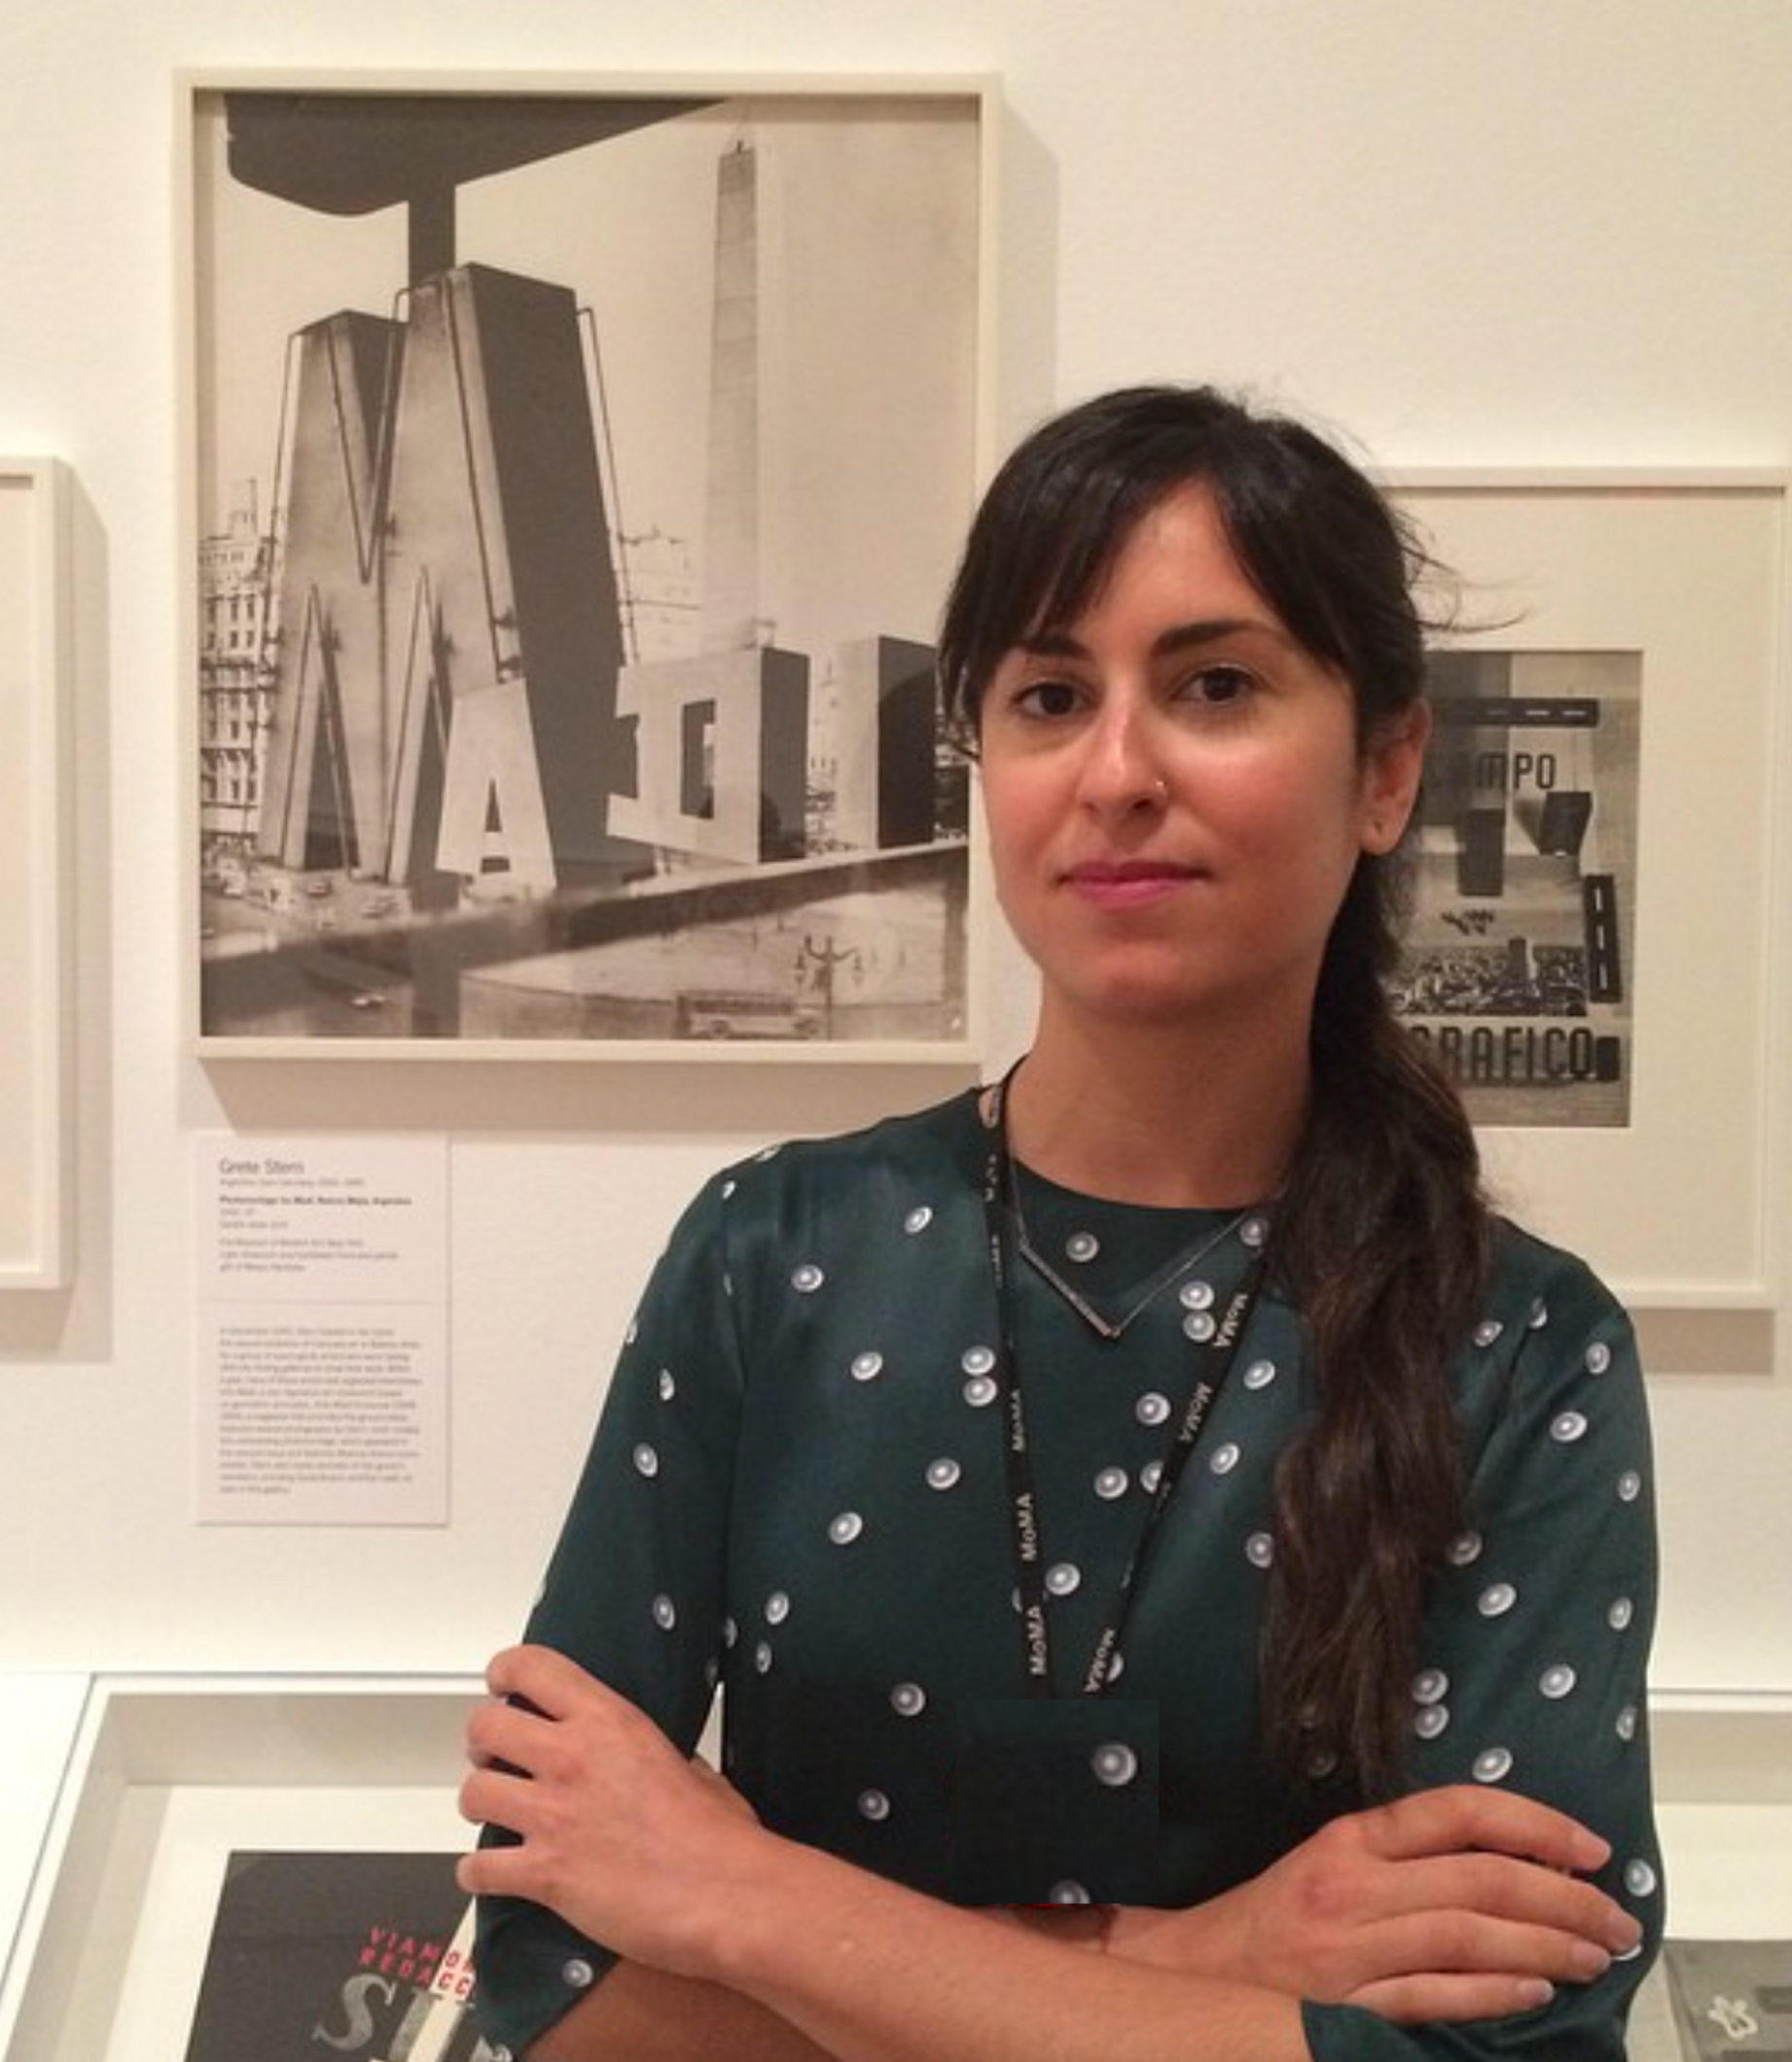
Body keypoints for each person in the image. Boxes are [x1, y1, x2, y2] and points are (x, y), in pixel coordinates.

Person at [456, 385, 1662, 2062]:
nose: (1116, 771)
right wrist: (1216, 1958)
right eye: (1047, 695)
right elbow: (554, 1982)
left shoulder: (1521, 1351)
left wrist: (743, 1901)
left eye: (1214, 685)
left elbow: (1500, 2046)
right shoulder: (772, 1254)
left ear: (1387, 767)